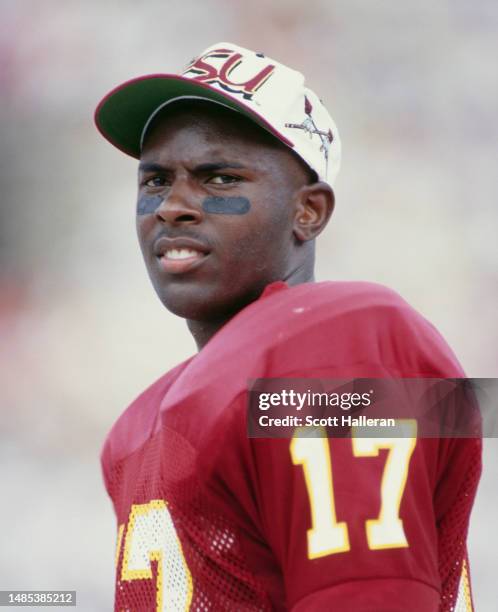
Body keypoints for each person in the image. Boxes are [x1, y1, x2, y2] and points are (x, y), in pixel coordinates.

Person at [95, 42, 481, 611]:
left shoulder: (335, 343)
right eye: (154, 181)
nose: (171, 206)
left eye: (219, 178)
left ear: (309, 212)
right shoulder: (135, 427)